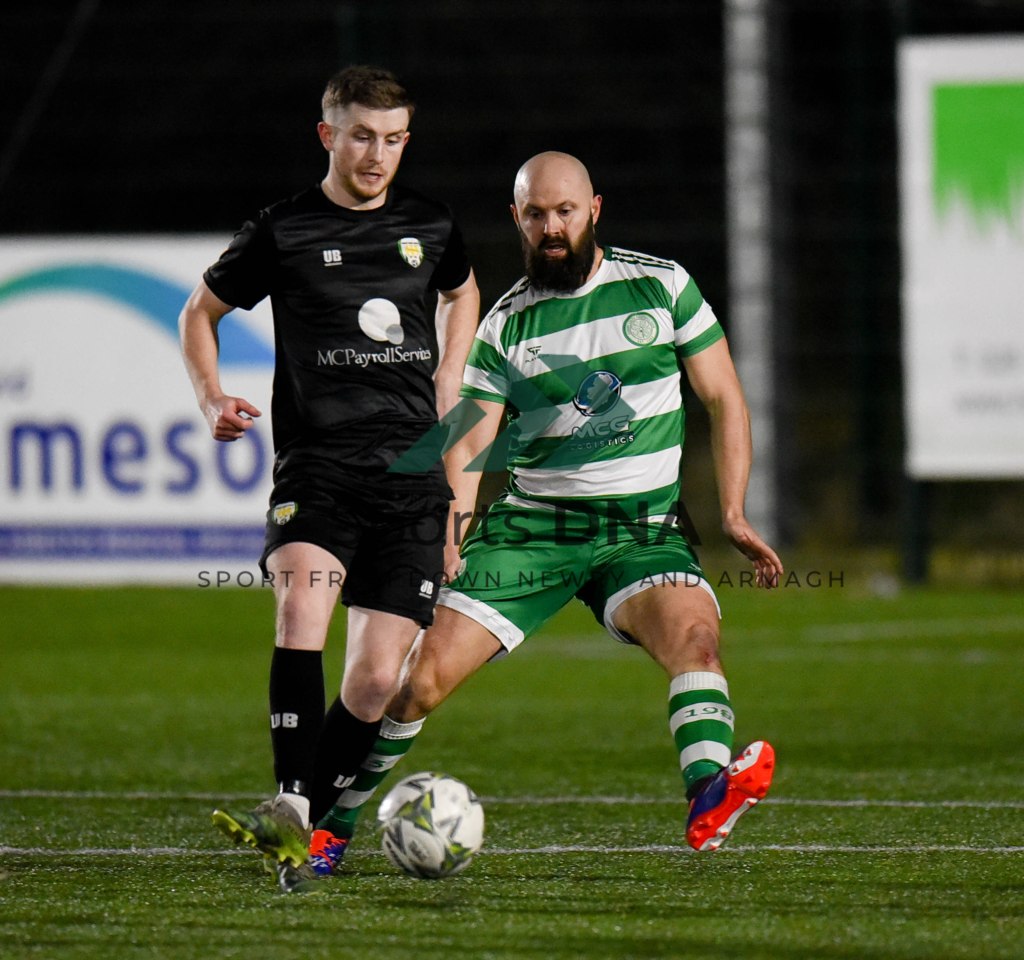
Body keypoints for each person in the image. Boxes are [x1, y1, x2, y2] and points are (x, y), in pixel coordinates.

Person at [311, 151, 784, 870]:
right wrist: (451, 531)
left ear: (595, 209)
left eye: (565, 211)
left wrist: (733, 511)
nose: (552, 227)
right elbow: (470, 437)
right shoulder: (505, 326)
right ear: (517, 219)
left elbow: (724, 396)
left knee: (696, 641)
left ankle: (709, 792)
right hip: (534, 529)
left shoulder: (662, 286)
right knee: (416, 683)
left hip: (640, 532)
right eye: (536, 214)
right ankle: (332, 825)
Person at [178, 65, 479, 892]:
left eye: (393, 140)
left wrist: (451, 373)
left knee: (378, 679)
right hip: (318, 466)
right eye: (362, 137)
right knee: (300, 608)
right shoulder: (284, 229)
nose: (377, 155)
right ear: (328, 136)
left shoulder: (431, 223)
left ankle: (303, 818)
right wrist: (210, 397)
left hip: (414, 475)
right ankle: (290, 804)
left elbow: (463, 291)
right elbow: (199, 311)